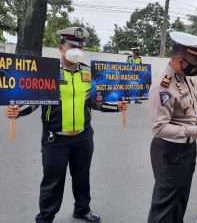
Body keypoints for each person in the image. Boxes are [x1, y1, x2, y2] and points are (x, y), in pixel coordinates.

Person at [4, 27, 129, 223]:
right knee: (52, 182)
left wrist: (117, 107)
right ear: (60, 47)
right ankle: (45, 217)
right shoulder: (49, 73)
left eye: (80, 46)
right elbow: (37, 101)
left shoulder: (88, 73)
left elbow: (94, 102)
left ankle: (82, 209)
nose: (77, 50)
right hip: (55, 139)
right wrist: (18, 111)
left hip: (83, 137)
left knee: (82, 177)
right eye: (72, 46)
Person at [148, 31, 197, 223]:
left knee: (180, 199)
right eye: (194, 62)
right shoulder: (163, 86)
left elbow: (186, 109)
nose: (196, 67)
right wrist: (196, 130)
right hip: (169, 151)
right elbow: (159, 128)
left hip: (186, 149)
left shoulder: (183, 77)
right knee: (165, 205)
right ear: (180, 60)